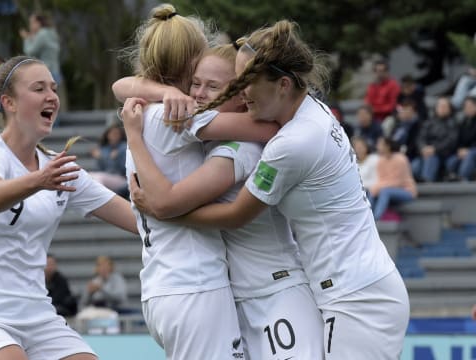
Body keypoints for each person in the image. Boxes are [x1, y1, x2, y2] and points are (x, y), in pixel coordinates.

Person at [158, 19, 409, 359]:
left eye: (248, 81)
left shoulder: (294, 142)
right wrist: (164, 94)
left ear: (283, 85)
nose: (240, 91)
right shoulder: (308, 112)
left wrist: (166, 211)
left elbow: (235, 215)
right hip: (353, 288)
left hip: (358, 297)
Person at [120, 43, 323, 359]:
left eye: (212, 86)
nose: (199, 94)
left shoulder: (243, 148)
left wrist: (134, 137)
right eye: (195, 83)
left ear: (242, 94)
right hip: (240, 299)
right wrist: (163, 91)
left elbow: (166, 203)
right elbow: (120, 86)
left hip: (275, 293)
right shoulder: (206, 137)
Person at [0, 55, 139, 360]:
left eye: (53, 88)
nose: (51, 97)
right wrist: (39, 180)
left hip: (38, 317)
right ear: (9, 103)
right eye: (38, 89)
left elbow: (137, 220)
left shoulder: (57, 169)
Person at [113, 4, 278, 360]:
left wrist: (158, 93)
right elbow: (269, 127)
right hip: (193, 286)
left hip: (162, 287)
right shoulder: (181, 116)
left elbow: (120, 85)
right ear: (191, 63)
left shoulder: (141, 108)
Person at [369, 136, 417, 221]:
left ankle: (376, 219)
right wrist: (375, 189)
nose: (377, 146)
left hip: (406, 190)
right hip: (387, 189)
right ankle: (367, 219)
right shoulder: (381, 160)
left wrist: (378, 188)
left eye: (380, 144)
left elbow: (398, 182)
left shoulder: (400, 159)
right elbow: (381, 179)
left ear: (387, 146)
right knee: (371, 192)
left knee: (384, 191)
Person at [411, 96, 458, 182]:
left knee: (431, 160)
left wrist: (434, 149)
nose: (442, 109)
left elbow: (451, 141)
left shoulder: (453, 123)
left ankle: (428, 186)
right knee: (415, 166)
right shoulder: (429, 122)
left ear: (450, 109)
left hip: (443, 154)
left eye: (444, 106)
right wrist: (423, 148)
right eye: (440, 106)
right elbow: (420, 138)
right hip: (425, 153)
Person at [20, 12, 62, 85]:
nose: (30, 26)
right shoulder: (51, 32)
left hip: (45, 72)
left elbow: (30, 52)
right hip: (55, 71)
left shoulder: (42, 34)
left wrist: (26, 39)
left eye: (31, 23)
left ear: (38, 23)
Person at [88, 124, 128, 195]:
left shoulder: (124, 147)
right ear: (107, 135)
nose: (114, 135)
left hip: (121, 178)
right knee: (90, 175)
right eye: (112, 133)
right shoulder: (104, 148)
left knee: (99, 177)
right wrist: (99, 158)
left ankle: (100, 197)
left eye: (116, 133)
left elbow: (124, 170)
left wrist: (114, 159)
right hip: (107, 177)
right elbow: (100, 169)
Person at [445, 96, 476, 181]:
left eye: (469, 106)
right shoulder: (464, 121)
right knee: (451, 161)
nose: (466, 109)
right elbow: (459, 139)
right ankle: (452, 178)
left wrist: (468, 150)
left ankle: (463, 179)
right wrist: (460, 150)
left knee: (471, 155)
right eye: (465, 107)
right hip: (465, 150)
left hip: (473, 151)